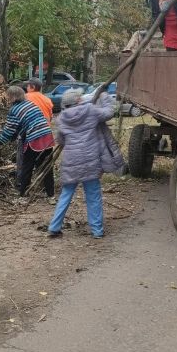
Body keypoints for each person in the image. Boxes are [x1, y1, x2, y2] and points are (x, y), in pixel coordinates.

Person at [47, 88, 117, 239]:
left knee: (66, 194)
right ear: (78, 100)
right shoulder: (90, 110)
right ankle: (97, 231)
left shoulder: (61, 119)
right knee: (93, 195)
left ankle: (54, 227)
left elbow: (61, 141)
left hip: (71, 160)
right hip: (90, 160)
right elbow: (108, 113)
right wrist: (104, 96)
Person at [0, 85, 55, 202]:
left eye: (8, 96)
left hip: (35, 139)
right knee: (46, 166)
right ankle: (51, 195)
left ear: (12, 97)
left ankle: (23, 195)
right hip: (47, 136)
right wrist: (17, 133)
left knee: (27, 166)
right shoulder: (30, 104)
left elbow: (8, 131)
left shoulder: (14, 110)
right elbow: (28, 122)